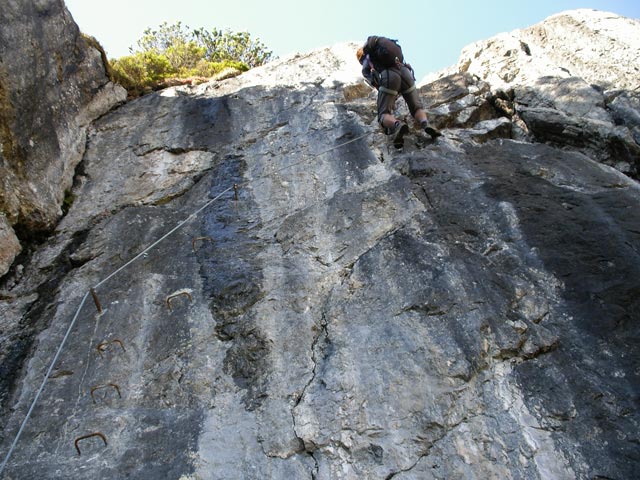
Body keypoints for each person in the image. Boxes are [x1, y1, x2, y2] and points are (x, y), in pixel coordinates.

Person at [357, 36, 441, 145]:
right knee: (416, 107)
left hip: (390, 76)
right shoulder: (385, 47)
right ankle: (425, 123)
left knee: (383, 114)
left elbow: (373, 80)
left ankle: (397, 125)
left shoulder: (366, 59)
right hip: (405, 72)